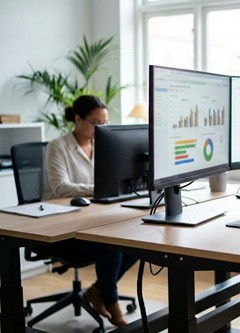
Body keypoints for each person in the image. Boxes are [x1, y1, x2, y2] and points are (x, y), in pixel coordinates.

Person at [42, 95, 137, 327]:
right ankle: (113, 304)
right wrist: (99, 188)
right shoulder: (58, 147)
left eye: (104, 123)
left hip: (91, 218)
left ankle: (97, 291)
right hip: (59, 225)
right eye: (96, 123)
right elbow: (60, 187)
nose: (101, 128)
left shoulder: (102, 147)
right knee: (110, 247)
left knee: (137, 241)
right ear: (77, 119)